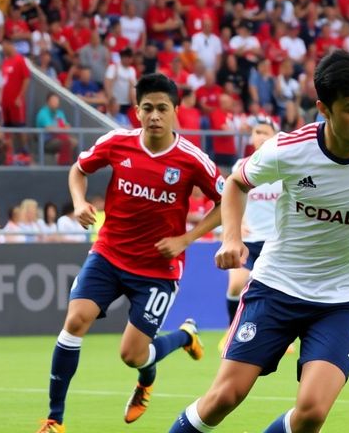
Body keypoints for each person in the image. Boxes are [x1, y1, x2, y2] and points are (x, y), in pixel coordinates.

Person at [166, 50, 349, 433]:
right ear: (324, 108)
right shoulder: (290, 149)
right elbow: (236, 182)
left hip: (345, 299)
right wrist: (231, 237)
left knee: (312, 413)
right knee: (223, 399)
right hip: (277, 287)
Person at [36, 73, 225, 433]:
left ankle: (181, 340)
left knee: (132, 355)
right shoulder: (116, 143)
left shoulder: (192, 160)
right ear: (137, 111)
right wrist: (78, 203)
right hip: (109, 254)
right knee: (75, 320)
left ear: (175, 112)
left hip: (158, 269)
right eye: (148, 108)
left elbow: (225, 200)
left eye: (162, 109)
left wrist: (187, 239)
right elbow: (79, 169)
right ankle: (54, 420)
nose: (155, 115)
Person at [219, 120, 281, 352]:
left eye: (266, 132)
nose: (261, 136)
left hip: (275, 242)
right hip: (248, 239)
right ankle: (231, 328)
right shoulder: (241, 166)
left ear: (275, 137)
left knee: (276, 292)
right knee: (236, 285)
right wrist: (240, 222)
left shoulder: (283, 167)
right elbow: (232, 195)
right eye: (257, 132)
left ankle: (277, 337)